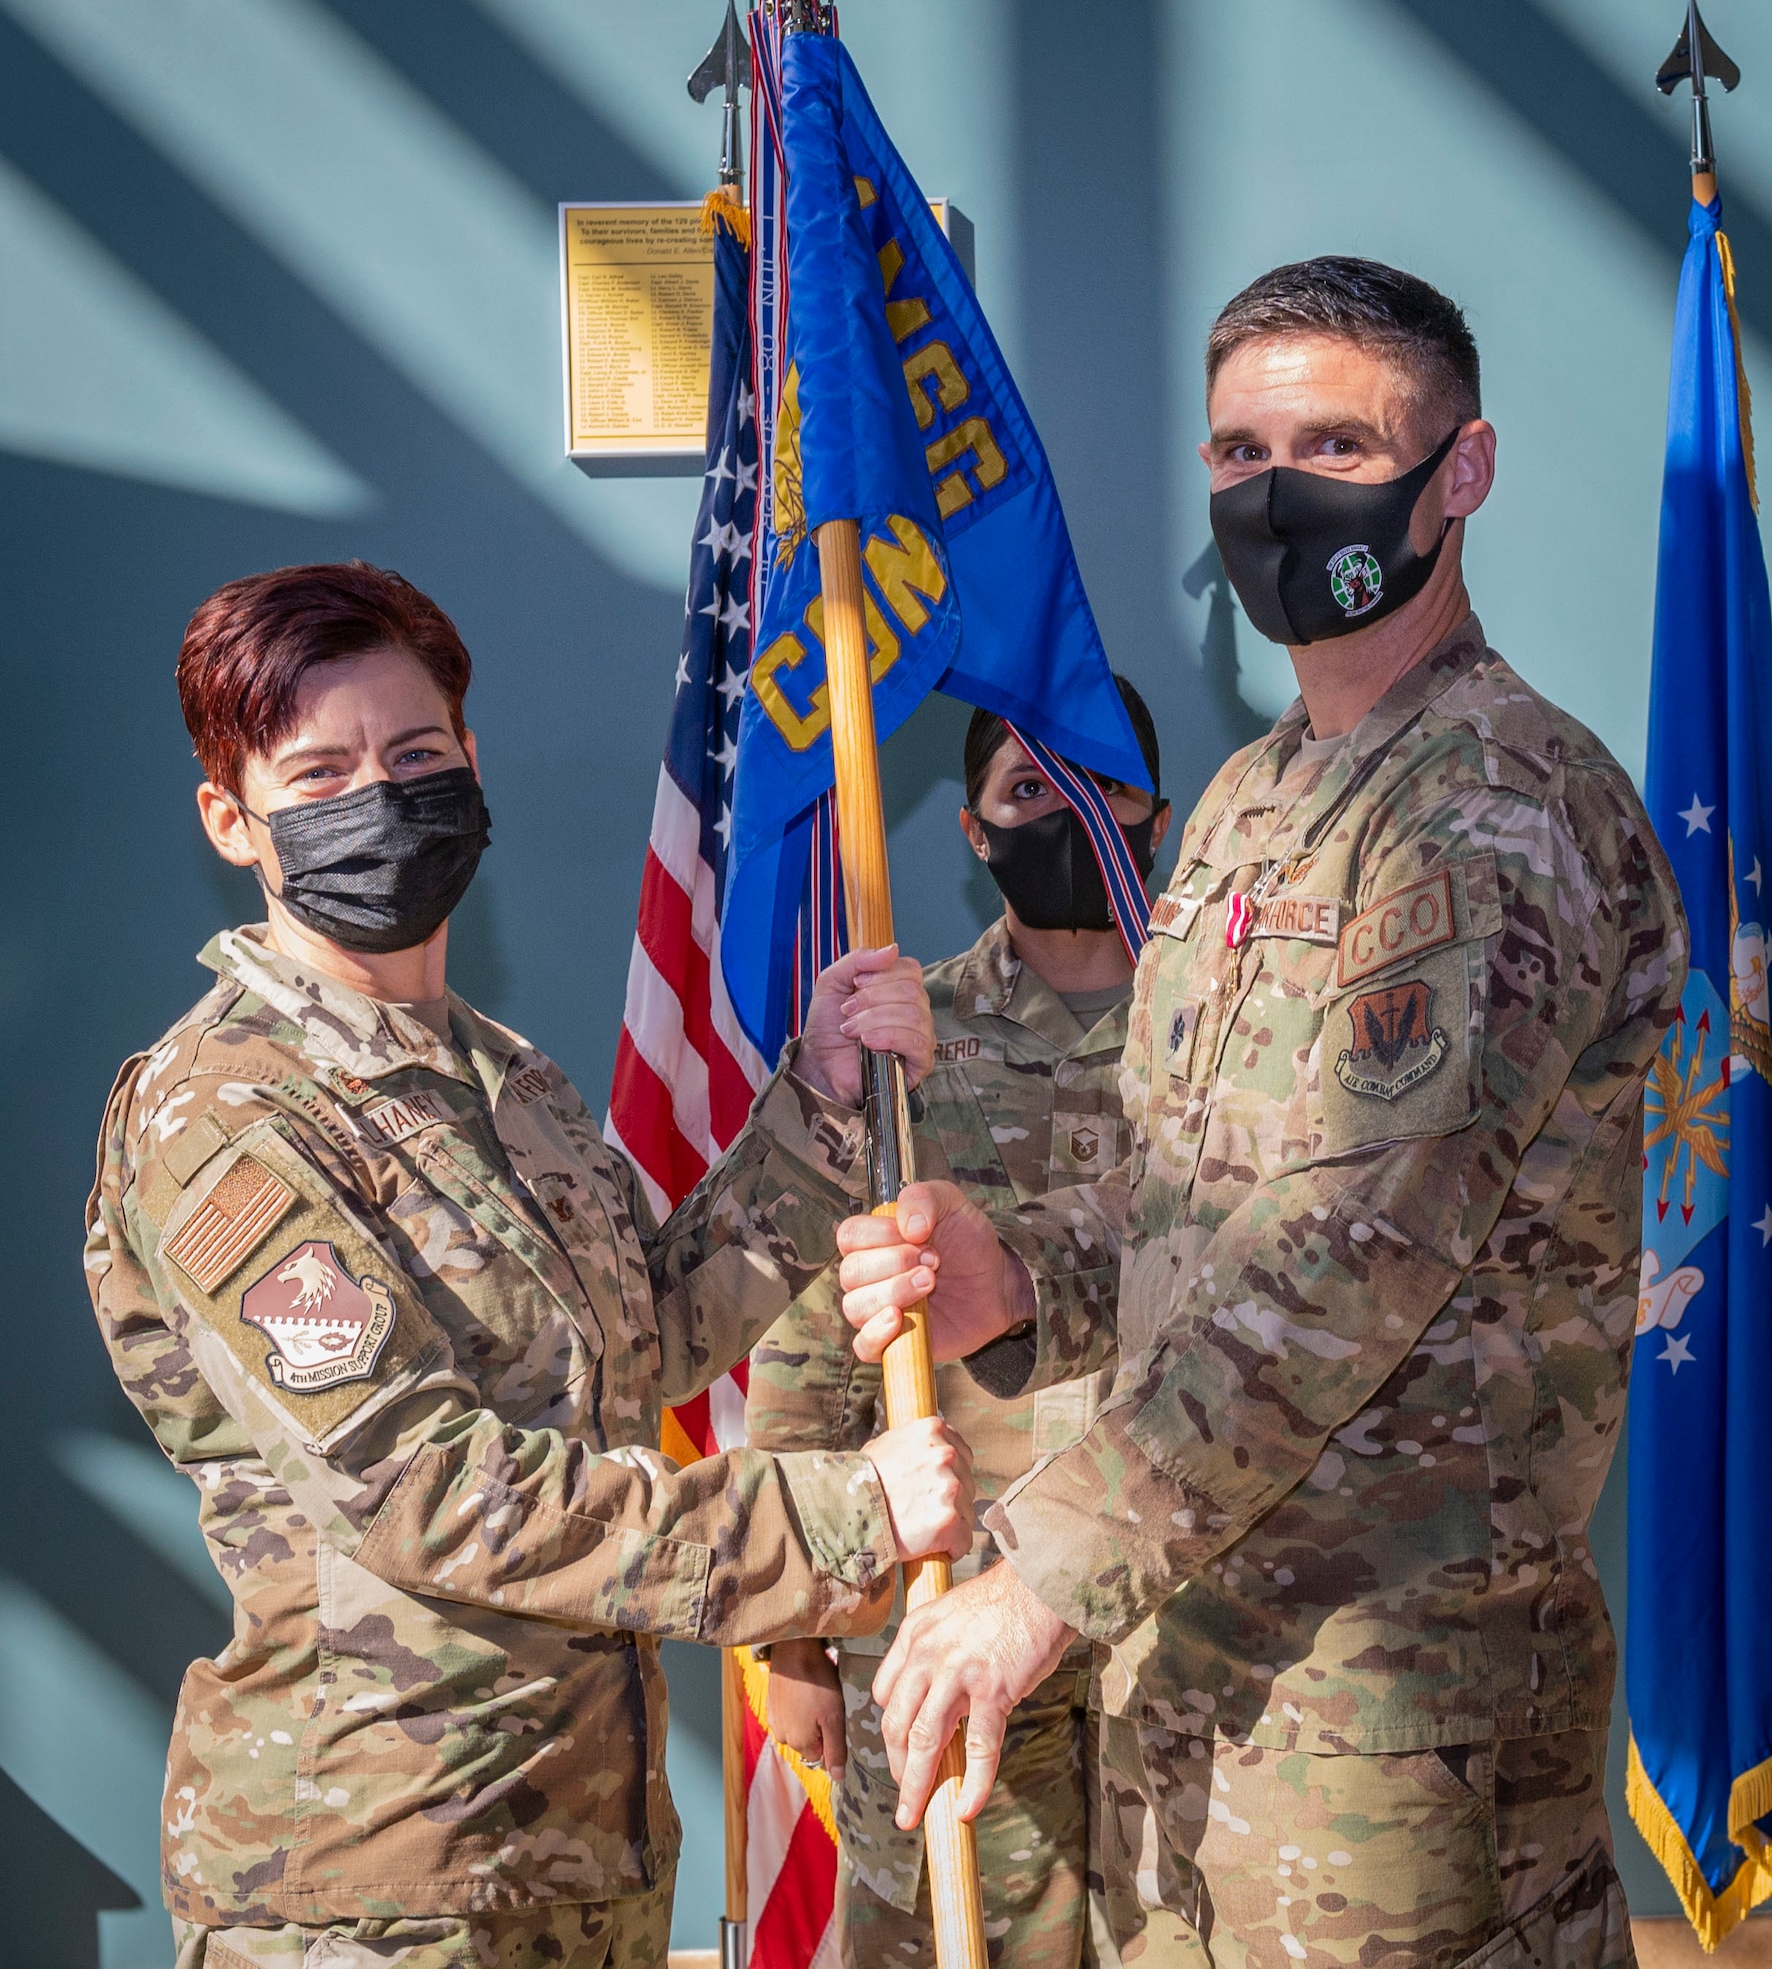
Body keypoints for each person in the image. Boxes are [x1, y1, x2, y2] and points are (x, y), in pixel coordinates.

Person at [834, 259, 1688, 1969]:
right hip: (1195, 1692)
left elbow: (1345, 1267)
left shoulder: (1495, 814)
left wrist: (1038, 1583)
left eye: (1335, 444)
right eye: (1238, 454)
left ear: (1463, 471)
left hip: (1388, 1727)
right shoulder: (1251, 800)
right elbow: (1191, 1189)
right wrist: (1036, 1271)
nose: (1278, 494)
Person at [84, 562, 976, 1969]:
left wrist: (816, 1102)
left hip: (576, 1865)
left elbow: (656, 1338)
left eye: (416, 754)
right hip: (375, 1890)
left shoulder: (504, 1081)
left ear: (470, 760)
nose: (378, 799)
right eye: (316, 774)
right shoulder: (228, 1118)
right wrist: (833, 1523)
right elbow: (424, 1489)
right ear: (231, 821)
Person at [748, 680, 1171, 1969]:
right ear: (975, 831)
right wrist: (795, 1639)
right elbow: (806, 1346)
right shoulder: (896, 1048)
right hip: (953, 1617)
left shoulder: (1221, 1039)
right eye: (1026, 790)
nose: (1068, 812)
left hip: (1182, 1630)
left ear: (1152, 813)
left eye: (1096, 781)